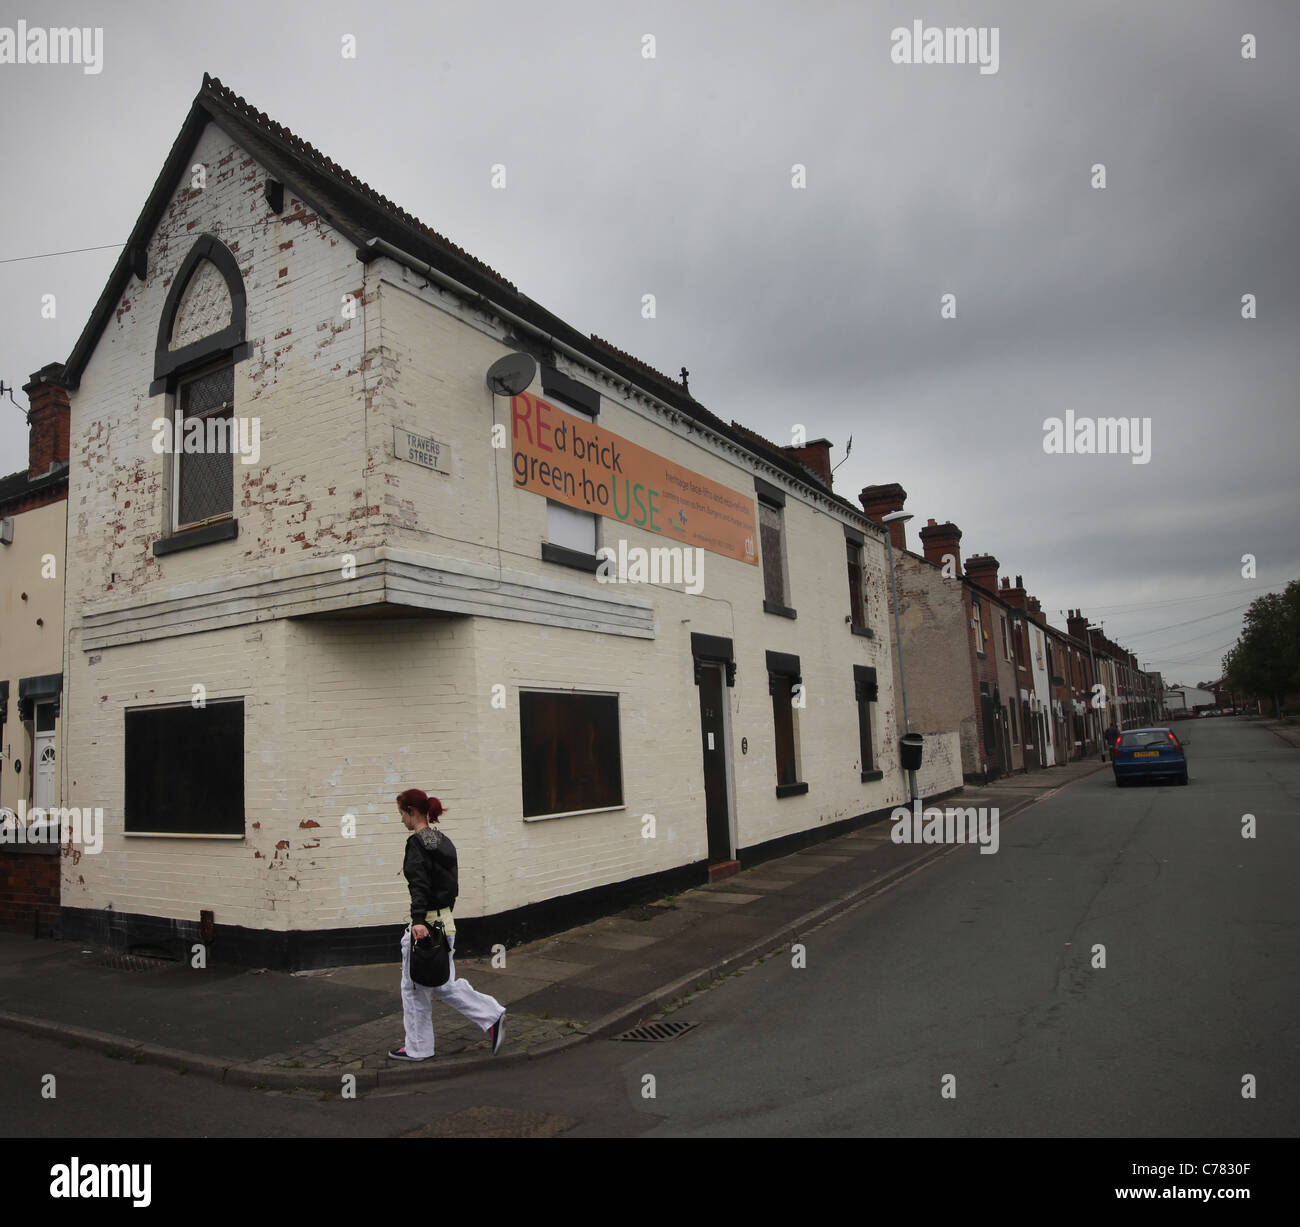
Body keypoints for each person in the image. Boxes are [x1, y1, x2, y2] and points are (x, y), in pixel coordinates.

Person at [388, 789, 506, 1062]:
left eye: (402, 814)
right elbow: (451, 886)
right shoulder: (444, 841)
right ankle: (492, 1015)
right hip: (445, 921)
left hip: (426, 924)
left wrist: (418, 921)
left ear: (411, 811)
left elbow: (419, 885)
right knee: (441, 983)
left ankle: (418, 1049)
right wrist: (443, 915)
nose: (401, 821)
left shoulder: (417, 843)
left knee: (414, 987)